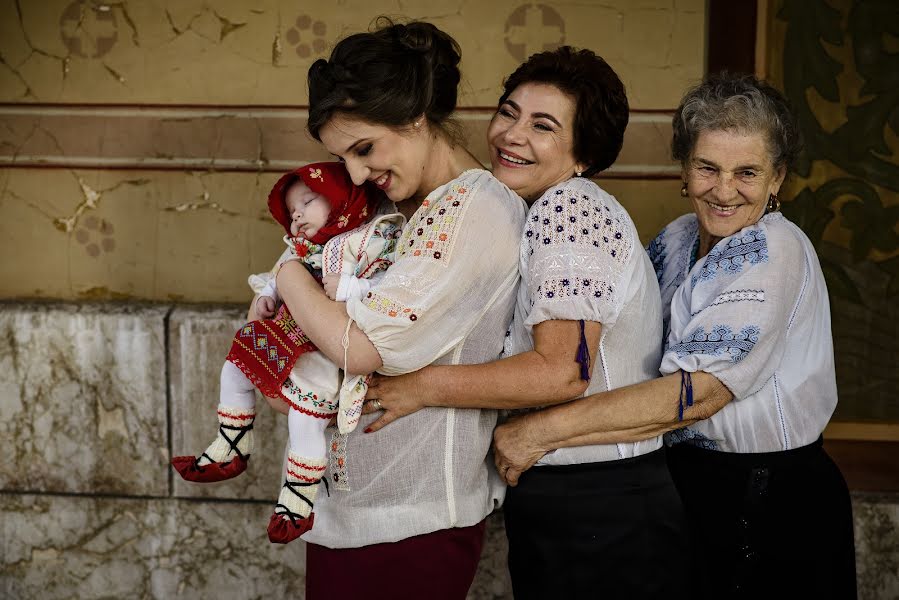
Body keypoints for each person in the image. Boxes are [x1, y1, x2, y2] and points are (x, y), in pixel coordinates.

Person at [489, 73, 856, 598]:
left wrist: (538, 433)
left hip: (767, 494)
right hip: (688, 481)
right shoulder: (679, 237)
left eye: (747, 173)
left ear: (778, 179)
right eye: (707, 167)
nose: (724, 190)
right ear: (684, 168)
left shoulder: (775, 250)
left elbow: (698, 393)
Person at [364, 47, 688, 598]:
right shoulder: (530, 211)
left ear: (582, 153)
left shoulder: (571, 208)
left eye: (543, 126)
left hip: (602, 503)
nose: (512, 134)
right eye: (508, 113)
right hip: (572, 495)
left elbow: (563, 372)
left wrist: (419, 389)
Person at [264, 19, 526, 598]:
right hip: (345, 505)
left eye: (364, 149)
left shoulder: (475, 212)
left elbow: (360, 347)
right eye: (342, 158)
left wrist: (284, 275)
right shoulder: (390, 203)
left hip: (413, 518)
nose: (355, 174)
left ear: (414, 117)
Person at [171, 161, 404, 545]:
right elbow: (279, 273)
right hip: (282, 338)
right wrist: (267, 295)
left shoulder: (374, 238)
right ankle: (231, 442)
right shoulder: (299, 248)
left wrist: (347, 287)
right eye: (292, 209)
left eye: (309, 200)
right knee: (234, 369)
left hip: (324, 355)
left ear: (343, 199)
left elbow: (389, 289)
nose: (297, 213)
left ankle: (298, 499)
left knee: (304, 421)